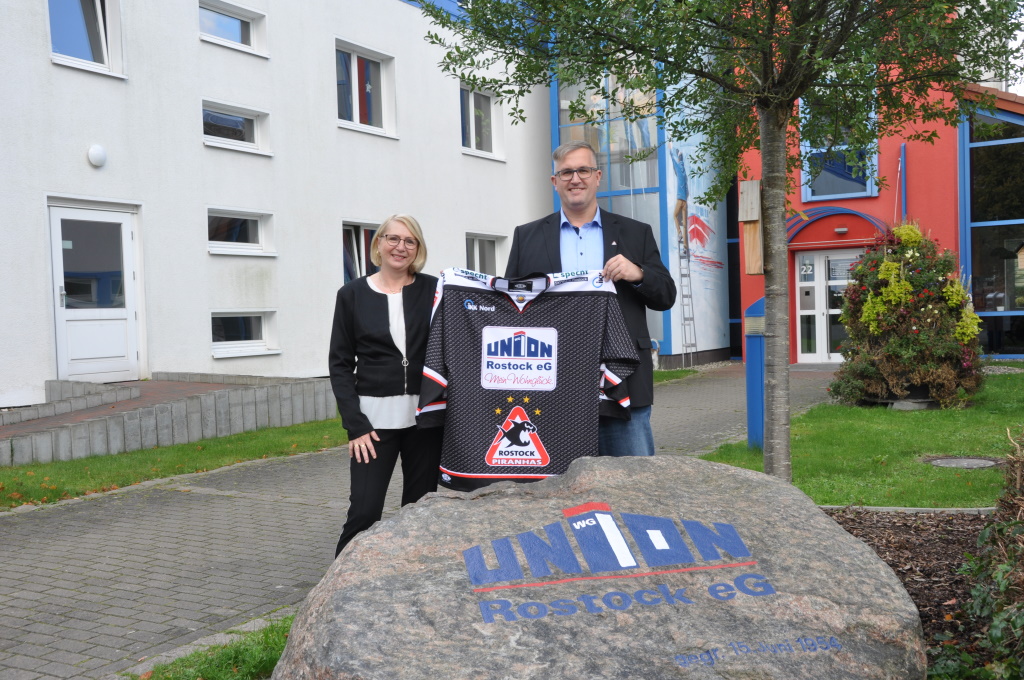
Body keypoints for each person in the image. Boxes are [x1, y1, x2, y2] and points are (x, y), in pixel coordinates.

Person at [504, 141, 676, 457]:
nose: (575, 179)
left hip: (623, 381)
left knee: (632, 481)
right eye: (566, 172)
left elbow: (666, 296)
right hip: (553, 384)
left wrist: (638, 273)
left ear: (598, 176)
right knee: (562, 485)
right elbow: (510, 308)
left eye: (583, 170)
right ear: (554, 181)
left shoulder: (635, 232)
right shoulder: (526, 236)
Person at [328, 214, 442, 557]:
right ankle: (342, 581)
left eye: (409, 241)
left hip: (425, 420)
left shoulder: (435, 290)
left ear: (418, 248)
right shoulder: (351, 294)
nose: (400, 247)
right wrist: (355, 425)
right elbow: (340, 363)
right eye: (393, 238)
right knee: (364, 511)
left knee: (419, 510)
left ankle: (410, 575)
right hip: (373, 424)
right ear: (378, 243)